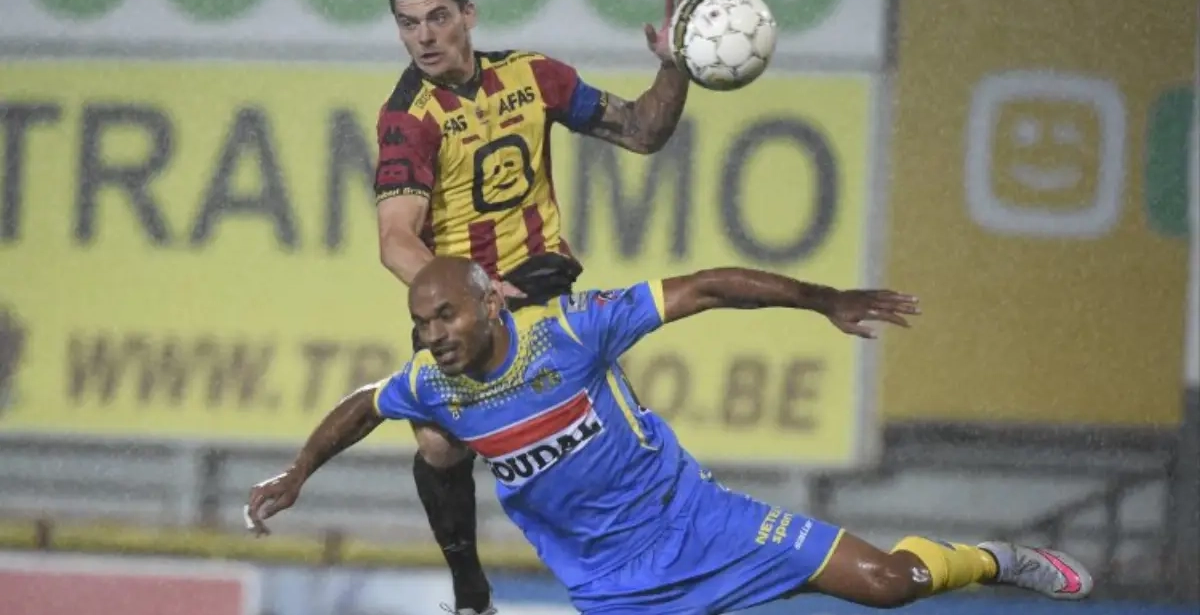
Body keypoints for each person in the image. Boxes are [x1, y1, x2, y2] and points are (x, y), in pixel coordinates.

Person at [247, 257, 1094, 615]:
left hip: (703, 523)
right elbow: (363, 404)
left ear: (491, 300)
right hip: (614, 592)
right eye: (422, 322)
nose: (433, 335)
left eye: (445, 314)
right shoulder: (434, 385)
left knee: (889, 582)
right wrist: (297, 472)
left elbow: (708, 289)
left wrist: (822, 299)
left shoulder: (573, 333)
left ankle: (996, 560)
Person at [368, 0, 693, 611]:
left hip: (539, 279)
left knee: (584, 420)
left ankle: (658, 540)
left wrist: (675, 65)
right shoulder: (408, 117)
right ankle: (470, 586)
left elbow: (643, 131)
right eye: (408, 24)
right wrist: (471, 291)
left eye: (437, 18)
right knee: (437, 443)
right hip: (469, 302)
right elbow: (395, 241)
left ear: (468, 15)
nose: (424, 37)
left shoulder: (533, 76)